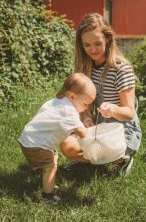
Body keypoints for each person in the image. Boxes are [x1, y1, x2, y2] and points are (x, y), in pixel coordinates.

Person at [60, 13, 142, 174]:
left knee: (96, 149)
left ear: (108, 39)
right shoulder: (86, 67)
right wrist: (86, 117)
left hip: (122, 130)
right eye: (87, 45)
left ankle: (122, 159)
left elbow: (129, 113)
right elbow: (82, 105)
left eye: (98, 43)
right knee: (66, 145)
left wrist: (113, 109)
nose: (93, 50)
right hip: (99, 126)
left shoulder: (120, 69)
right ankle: (93, 158)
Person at [18, 73, 96, 202]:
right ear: (72, 96)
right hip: (36, 145)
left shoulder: (56, 102)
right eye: (86, 103)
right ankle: (48, 196)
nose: (87, 107)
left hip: (29, 139)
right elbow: (82, 132)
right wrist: (95, 140)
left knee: (52, 158)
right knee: (51, 166)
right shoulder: (69, 111)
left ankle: (45, 181)